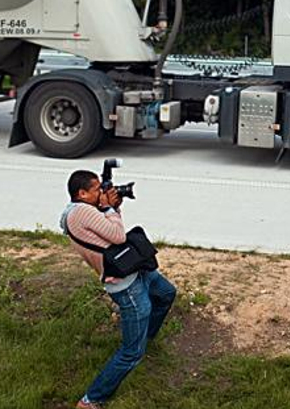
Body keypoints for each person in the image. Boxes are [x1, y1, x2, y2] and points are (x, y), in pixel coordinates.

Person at [61, 170, 177, 409]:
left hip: (136, 270)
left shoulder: (86, 210)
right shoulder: (82, 211)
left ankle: (144, 338)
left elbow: (110, 231)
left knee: (166, 294)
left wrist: (112, 209)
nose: (101, 193)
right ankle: (90, 400)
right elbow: (117, 235)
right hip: (126, 285)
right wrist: (110, 209)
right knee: (131, 353)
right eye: (96, 190)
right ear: (81, 194)